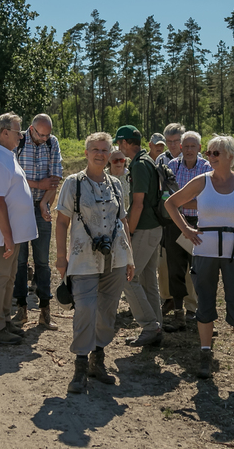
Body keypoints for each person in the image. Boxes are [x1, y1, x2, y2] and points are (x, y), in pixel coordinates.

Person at [164, 135, 234, 385]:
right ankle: (205, 356)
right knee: (205, 305)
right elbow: (171, 203)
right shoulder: (202, 181)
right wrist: (186, 230)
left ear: (230, 156)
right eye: (209, 153)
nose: (209, 157)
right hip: (205, 253)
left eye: (215, 153)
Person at [55, 132, 136, 393]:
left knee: (107, 310)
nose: (100, 154)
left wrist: (130, 257)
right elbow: (61, 221)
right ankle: (80, 366)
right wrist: (61, 257)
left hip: (116, 258)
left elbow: (122, 221)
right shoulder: (73, 183)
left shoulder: (116, 184)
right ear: (86, 152)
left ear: (110, 154)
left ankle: (97, 360)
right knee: (85, 309)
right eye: (95, 149)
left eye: (104, 150)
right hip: (83, 258)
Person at [0, 112, 38, 344]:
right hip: (2, 234)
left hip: (11, 233)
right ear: (4, 133)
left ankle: (3, 321)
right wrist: (7, 236)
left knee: (8, 277)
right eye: (17, 132)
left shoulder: (5, 155)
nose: (21, 136)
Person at [13, 113, 62, 330]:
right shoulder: (18, 141)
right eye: (41, 135)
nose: (44, 139)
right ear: (31, 129)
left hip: (42, 207)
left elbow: (55, 177)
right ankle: (21, 309)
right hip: (19, 208)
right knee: (20, 261)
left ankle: (45, 312)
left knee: (42, 262)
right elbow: (13, 177)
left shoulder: (52, 143)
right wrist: (38, 184)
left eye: (47, 135)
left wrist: (43, 203)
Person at [115, 125, 163, 347]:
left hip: (144, 229)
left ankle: (150, 326)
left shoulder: (139, 165)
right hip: (153, 228)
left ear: (125, 143)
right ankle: (156, 328)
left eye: (119, 143)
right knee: (147, 280)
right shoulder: (146, 160)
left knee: (128, 277)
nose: (118, 147)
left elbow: (138, 204)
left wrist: (130, 233)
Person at [163, 131, 211, 333]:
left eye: (193, 146)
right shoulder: (171, 166)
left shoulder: (207, 168)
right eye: (186, 146)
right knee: (175, 269)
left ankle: (203, 315)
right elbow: (165, 198)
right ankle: (178, 314)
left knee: (200, 270)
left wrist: (178, 202)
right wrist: (186, 202)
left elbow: (207, 201)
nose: (189, 150)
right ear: (181, 148)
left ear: (199, 148)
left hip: (200, 224)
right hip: (175, 223)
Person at [154, 123, 189, 317]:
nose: (173, 145)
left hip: (190, 215)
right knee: (166, 261)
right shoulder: (161, 160)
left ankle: (191, 305)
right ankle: (168, 298)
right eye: (169, 141)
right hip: (167, 216)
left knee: (188, 263)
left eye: (176, 141)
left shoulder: (193, 158)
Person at [106, 147, 129, 213]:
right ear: (109, 160)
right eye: (115, 161)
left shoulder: (131, 175)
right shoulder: (103, 176)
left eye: (121, 160)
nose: (119, 163)